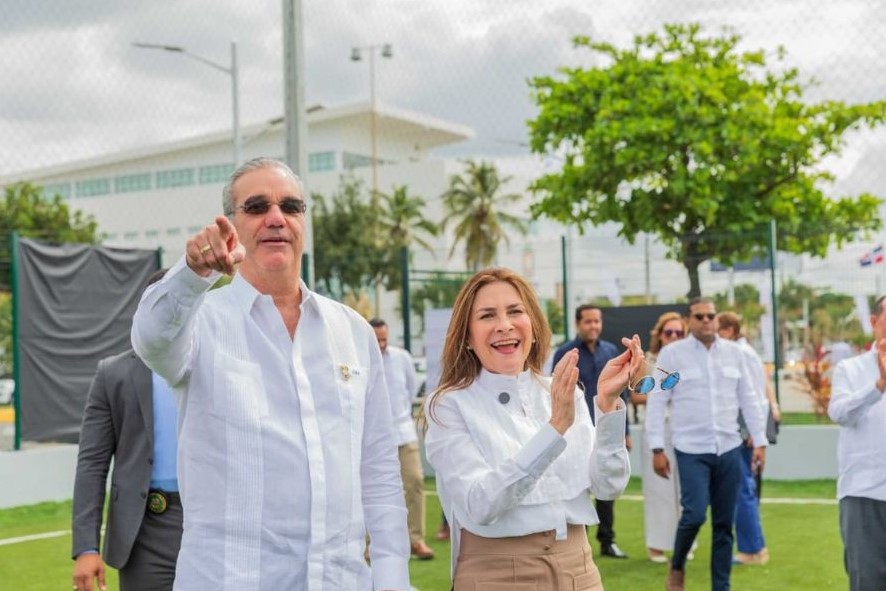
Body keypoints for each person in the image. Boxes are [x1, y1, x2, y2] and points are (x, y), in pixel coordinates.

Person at [131, 157, 410, 591]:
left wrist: (392, 578)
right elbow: (150, 339)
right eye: (257, 207)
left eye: (291, 207)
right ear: (232, 226)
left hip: (341, 580)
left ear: (303, 221)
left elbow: (378, 467)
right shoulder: (203, 322)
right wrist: (193, 273)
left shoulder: (352, 330)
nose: (276, 218)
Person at [423, 267, 640, 590]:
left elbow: (608, 487)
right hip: (496, 573)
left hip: (579, 567)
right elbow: (480, 504)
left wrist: (608, 406)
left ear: (534, 326)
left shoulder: (567, 391)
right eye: (487, 316)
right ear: (467, 336)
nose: (504, 326)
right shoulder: (449, 405)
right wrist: (555, 430)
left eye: (515, 311)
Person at [71, 269, 182, 591]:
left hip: (212, 521)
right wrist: (86, 548)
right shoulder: (113, 374)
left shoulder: (218, 367)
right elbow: (92, 464)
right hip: (143, 531)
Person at [647, 297, 768, 591]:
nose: (706, 321)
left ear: (717, 319)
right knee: (695, 513)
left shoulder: (734, 354)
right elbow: (657, 400)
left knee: (725, 525)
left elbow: (749, 399)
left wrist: (760, 441)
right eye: (699, 316)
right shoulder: (672, 355)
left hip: (728, 447)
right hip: (690, 449)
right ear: (689, 320)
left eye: (710, 316)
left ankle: (721, 587)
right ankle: (677, 567)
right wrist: (656, 448)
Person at [552, 304, 631, 559]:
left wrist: (624, 430)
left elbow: (622, 393)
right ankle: (579, 541)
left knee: (606, 488)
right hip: (575, 431)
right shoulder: (565, 353)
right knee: (579, 484)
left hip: (605, 428)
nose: (593, 326)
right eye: (588, 322)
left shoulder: (610, 351)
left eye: (597, 321)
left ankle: (607, 541)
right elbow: (556, 391)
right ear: (578, 323)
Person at [828, 294, 886, 591]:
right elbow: (838, 413)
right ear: (874, 322)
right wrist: (878, 387)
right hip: (865, 492)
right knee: (868, 582)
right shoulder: (850, 370)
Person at [716, 311, 780, 566]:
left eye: (718, 328)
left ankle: (752, 549)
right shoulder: (745, 352)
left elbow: (753, 396)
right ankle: (754, 547)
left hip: (744, 431)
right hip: (746, 429)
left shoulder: (741, 353)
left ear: (730, 330)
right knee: (744, 488)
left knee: (742, 489)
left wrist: (754, 433)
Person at [369, 317, 435, 560]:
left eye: (384, 339)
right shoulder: (359, 358)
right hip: (372, 438)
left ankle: (415, 540)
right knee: (369, 491)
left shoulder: (402, 358)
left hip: (403, 432)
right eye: (377, 340)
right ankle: (368, 546)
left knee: (415, 481)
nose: (382, 344)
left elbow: (409, 391)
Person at [635, 312, 687, 563]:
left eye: (679, 333)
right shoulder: (649, 361)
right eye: (669, 332)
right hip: (656, 430)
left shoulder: (688, 360)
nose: (674, 337)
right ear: (660, 334)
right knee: (659, 490)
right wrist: (662, 394)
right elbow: (635, 394)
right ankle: (656, 546)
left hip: (683, 430)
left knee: (683, 491)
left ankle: (684, 542)